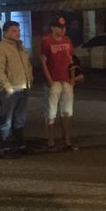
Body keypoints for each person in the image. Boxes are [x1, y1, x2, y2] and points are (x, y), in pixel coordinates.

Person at [0, 20, 33, 157]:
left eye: (18, 30)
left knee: (20, 118)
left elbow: (28, 66)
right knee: (6, 120)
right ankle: (4, 146)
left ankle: (20, 144)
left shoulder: (20, 47)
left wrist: (29, 81)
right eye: (14, 31)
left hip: (23, 87)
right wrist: (7, 88)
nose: (18, 33)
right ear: (5, 32)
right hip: (9, 90)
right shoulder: (0, 49)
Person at [40, 17, 78, 151]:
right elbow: (43, 61)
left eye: (63, 28)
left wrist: (73, 77)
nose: (62, 30)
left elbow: (70, 59)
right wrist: (49, 79)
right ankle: (51, 142)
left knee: (67, 111)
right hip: (54, 81)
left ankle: (67, 140)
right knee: (51, 111)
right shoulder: (46, 41)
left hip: (66, 80)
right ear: (52, 28)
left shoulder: (67, 40)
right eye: (59, 28)